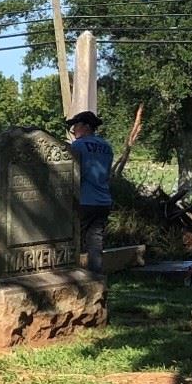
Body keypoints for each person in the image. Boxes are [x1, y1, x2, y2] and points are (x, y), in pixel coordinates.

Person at [66, 110, 114, 273]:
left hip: (84, 200)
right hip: (103, 200)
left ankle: (72, 276)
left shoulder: (78, 146)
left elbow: (73, 174)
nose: (73, 130)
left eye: (75, 126)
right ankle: (96, 276)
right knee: (95, 241)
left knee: (74, 240)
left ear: (86, 126)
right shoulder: (106, 147)